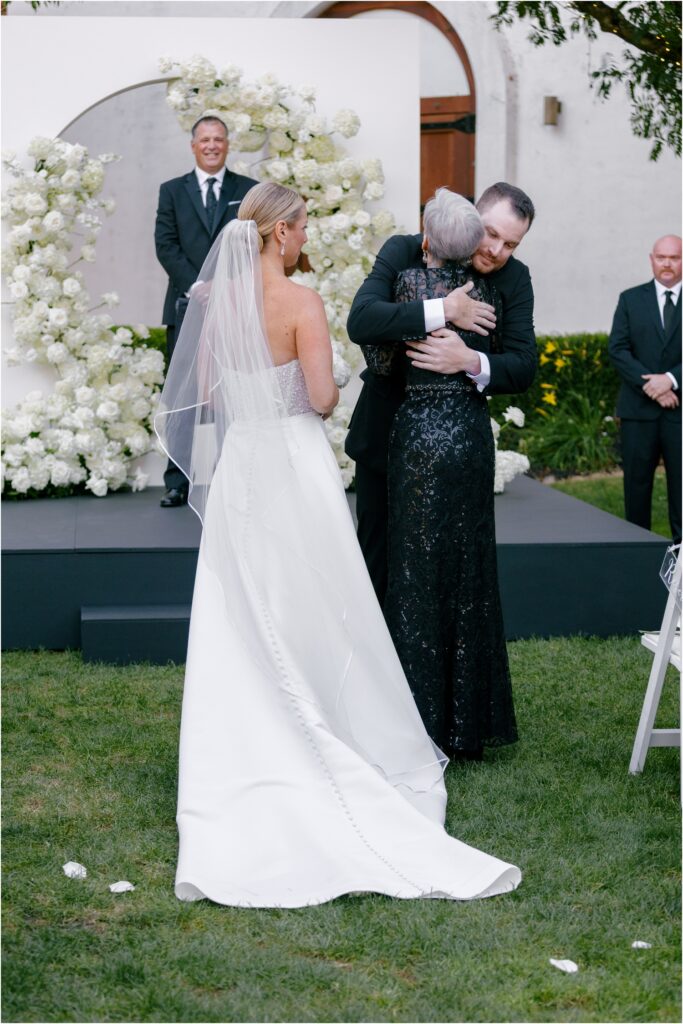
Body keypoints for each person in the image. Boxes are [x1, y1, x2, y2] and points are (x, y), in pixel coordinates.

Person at [154, 182, 521, 908]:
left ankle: (242, 744)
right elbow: (321, 398)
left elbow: (210, 392)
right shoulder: (301, 303)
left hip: (241, 470)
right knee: (318, 601)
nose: (304, 238)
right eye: (300, 227)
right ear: (279, 233)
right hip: (292, 463)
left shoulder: (216, 302)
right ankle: (326, 723)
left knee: (242, 607)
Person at [345, 182, 536, 603]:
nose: (496, 251)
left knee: (450, 567)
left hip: (455, 451)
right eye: (491, 233)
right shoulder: (406, 249)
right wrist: (443, 309)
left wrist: (469, 360)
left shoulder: (514, 278)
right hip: (384, 435)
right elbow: (362, 320)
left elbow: (524, 366)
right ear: (473, 216)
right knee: (377, 557)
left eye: (511, 244)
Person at [382, 189, 517, 761]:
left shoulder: (408, 284)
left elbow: (380, 358)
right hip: (469, 436)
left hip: (418, 438)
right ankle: (468, 725)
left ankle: (418, 721)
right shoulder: (486, 294)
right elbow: (509, 349)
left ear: (428, 239)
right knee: (470, 572)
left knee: (416, 572)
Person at [154, 115, 257, 507]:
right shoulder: (171, 191)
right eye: (205, 139)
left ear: (227, 144)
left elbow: (255, 244)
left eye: (218, 139)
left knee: (232, 390)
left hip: (235, 307)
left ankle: (230, 475)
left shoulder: (247, 190)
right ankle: (177, 481)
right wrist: (198, 287)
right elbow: (165, 245)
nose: (212, 145)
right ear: (193, 145)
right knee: (183, 394)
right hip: (186, 306)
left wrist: (225, 286)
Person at [608, 235, 681, 543]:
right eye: (661, 257)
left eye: (674, 258)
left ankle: (681, 564)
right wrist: (653, 385)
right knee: (636, 492)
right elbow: (618, 349)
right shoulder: (630, 299)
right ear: (652, 259)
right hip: (638, 413)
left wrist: (672, 379)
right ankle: (638, 557)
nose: (667, 263)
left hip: (679, 415)